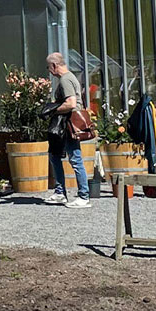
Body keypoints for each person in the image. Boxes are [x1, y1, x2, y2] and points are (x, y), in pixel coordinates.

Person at [44, 52, 90, 208]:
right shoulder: (69, 78)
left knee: (75, 159)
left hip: (69, 124)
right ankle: (60, 192)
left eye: (49, 67)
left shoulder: (65, 80)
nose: (49, 71)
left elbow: (71, 103)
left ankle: (83, 196)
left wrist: (53, 109)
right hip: (66, 124)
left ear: (54, 65)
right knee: (55, 155)